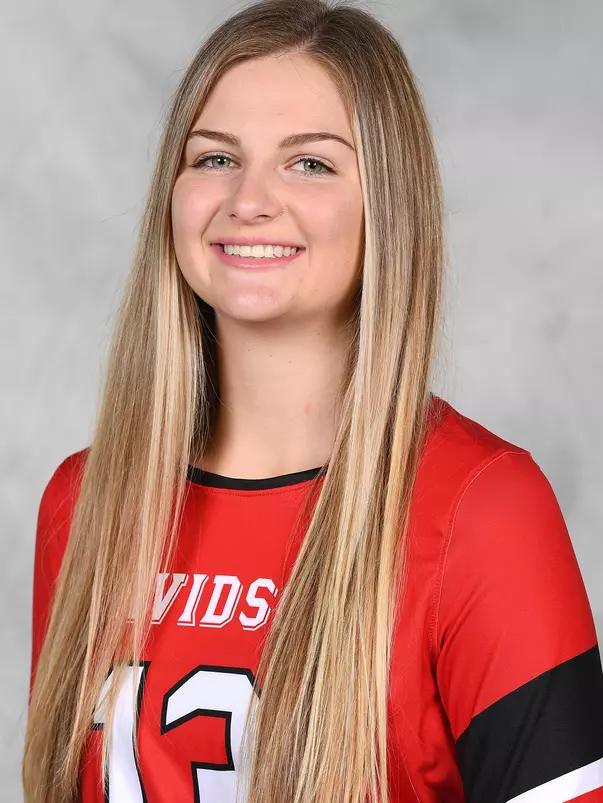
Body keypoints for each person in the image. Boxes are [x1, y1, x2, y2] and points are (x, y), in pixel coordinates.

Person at [22, 0, 603, 801]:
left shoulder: (484, 507)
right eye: (215, 158)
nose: (248, 200)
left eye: (311, 163)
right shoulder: (85, 502)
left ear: (386, 207)